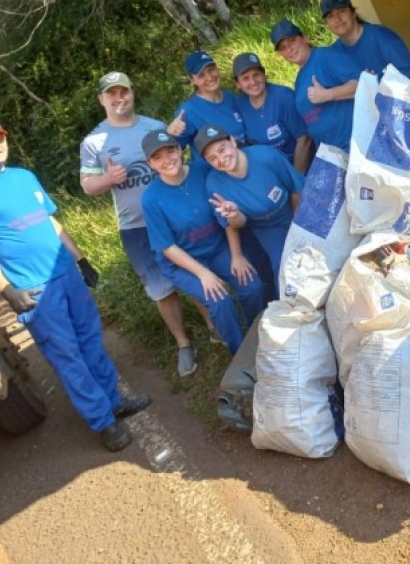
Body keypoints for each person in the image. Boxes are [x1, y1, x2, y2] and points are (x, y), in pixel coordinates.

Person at [0, 118, 150, 452]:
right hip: (35, 288)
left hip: (65, 273)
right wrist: (7, 290)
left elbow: (51, 221)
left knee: (90, 340)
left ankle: (114, 401)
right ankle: (103, 422)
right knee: (67, 355)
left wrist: (80, 259)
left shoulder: (23, 176)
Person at [80, 71, 198, 378]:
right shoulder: (93, 141)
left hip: (172, 215)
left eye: (124, 92)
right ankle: (183, 343)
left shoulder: (154, 127)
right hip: (135, 227)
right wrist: (108, 179)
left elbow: (175, 163)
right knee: (160, 287)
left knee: (193, 271)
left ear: (132, 93)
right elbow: (87, 185)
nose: (119, 99)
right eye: (112, 94)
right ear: (101, 99)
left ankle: (215, 327)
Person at [139, 130, 267, 355]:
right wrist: (203, 274)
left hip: (217, 248)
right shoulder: (151, 199)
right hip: (182, 261)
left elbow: (225, 213)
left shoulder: (202, 170)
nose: (167, 160)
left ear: (180, 150)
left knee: (253, 286)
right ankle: (241, 354)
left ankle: (258, 338)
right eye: (157, 157)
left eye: (170, 151)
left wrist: (237, 256)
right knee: (220, 301)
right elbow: (167, 247)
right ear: (150, 164)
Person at [196, 125, 304, 278]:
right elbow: (238, 224)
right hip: (268, 227)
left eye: (222, 150)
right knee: (284, 270)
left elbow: (296, 189)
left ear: (232, 141)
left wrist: (297, 226)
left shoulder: (266, 156)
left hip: (295, 210)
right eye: (212, 158)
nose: (221, 159)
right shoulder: (214, 184)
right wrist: (234, 215)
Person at [270, 18, 362, 164]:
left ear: (304, 37)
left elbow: (362, 83)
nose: (289, 49)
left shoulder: (324, 56)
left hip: (355, 147)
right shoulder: (299, 79)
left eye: (292, 41)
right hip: (333, 157)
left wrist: (328, 94)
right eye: (283, 48)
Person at [319, 0, 410, 91]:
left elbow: (408, 75)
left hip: (406, 100)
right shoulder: (334, 54)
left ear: (353, 13)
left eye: (342, 11)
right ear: (327, 23)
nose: (337, 19)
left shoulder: (381, 36)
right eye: (330, 16)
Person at [166, 50, 246, 159]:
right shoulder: (188, 111)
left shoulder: (230, 97)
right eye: (201, 75)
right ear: (192, 80)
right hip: (213, 168)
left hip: (242, 161)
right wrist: (169, 135)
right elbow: (173, 151)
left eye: (211, 70)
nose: (209, 77)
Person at [231, 52, 305, 163]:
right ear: (237, 83)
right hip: (267, 167)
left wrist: (297, 173)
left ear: (264, 75)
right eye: (245, 78)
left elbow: (304, 139)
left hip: (295, 163)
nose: (253, 82)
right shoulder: (240, 104)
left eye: (256, 75)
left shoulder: (283, 97)